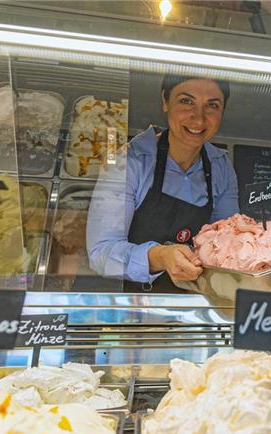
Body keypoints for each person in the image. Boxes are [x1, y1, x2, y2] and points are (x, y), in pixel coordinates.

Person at [86, 75, 239, 291]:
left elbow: (227, 243)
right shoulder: (130, 162)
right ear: (165, 101)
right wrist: (159, 257)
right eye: (186, 101)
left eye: (212, 105)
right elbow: (100, 253)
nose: (199, 119)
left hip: (195, 307)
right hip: (129, 306)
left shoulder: (221, 168)